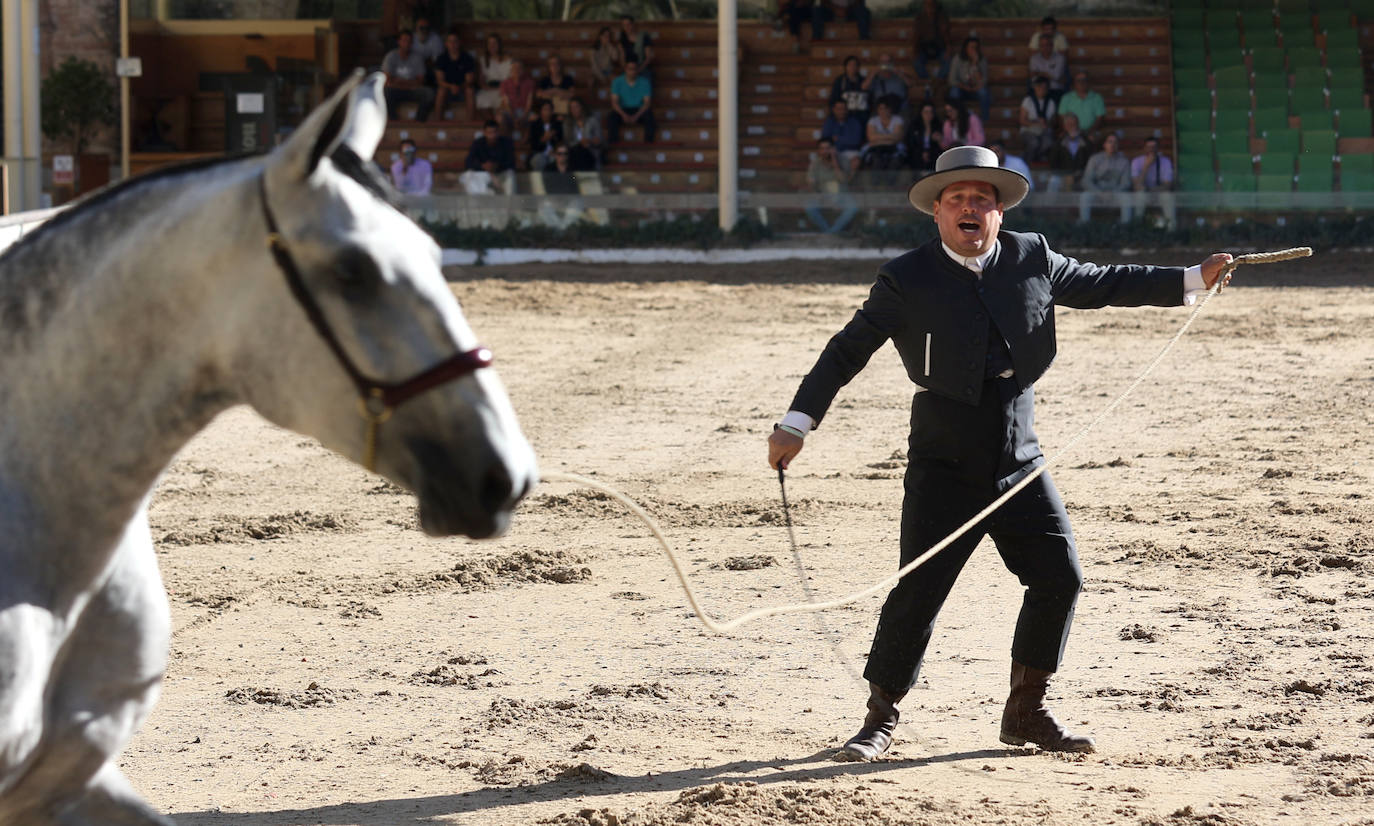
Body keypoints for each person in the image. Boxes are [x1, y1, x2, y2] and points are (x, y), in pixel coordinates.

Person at [766, 143, 1236, 762]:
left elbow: (1103, 283)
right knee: (920, 588)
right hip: (943, 458)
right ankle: (879, 718)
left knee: (1058, 575)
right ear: (936, 212)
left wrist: (1190, 279)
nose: (969, 208)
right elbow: (846, 350)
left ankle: (1026, 710)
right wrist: (797, 423)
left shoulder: (1030, 256)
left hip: (1019, 456)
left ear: (998, 213)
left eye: (981, 200)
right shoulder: (904, 277)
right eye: (956, 198)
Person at [805, 136, 859, 233]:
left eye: (828, 148)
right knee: (809, 207)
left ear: (833, 149)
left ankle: (833, 231)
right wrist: (819, 196)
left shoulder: (843, 160)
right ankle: (828, 231)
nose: (825, 151)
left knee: (853, 208)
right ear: (819, 151)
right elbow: (811, 183)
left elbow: (843, 180)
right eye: (822, 149)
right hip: (823, 195)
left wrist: (834, 162)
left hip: (842, 195)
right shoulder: (815, 164)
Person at [381, 30, 435, 122]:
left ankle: (418, 122)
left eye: (409, 41)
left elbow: (421, 81)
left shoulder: (417, 57)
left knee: (429, 93)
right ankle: (395, 122)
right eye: (404, 40)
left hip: (412, 91)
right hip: (396, 90)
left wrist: (398, 81)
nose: (407, 44)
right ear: (399, 42)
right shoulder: (390, 56)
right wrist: (410, 83)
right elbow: (387, 81)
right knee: (385, 92)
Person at [1079, 133, 1132, 223]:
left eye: (1115, 142)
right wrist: (1099, 193)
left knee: (1126, 197)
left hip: (1116, 192)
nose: (1112, 145)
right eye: (1110, 142)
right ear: (1104, 144)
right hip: (1097, 191)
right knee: (1085, 196)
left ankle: (1126, 226)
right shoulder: (1095, 159)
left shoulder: (1124, 162)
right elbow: (1086, 180)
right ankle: (1085, 224)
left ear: (1118, 145)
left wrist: (1113, 193)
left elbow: (1126, 183)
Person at [1131, 136, 1177, 229]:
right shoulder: (1136, 161)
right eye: (1149, 147)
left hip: (1158, 192)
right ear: (1144, 149)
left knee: (1167, 196)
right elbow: (1137, 185)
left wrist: (1150, 190)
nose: (1152, 150)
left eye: (1154, 147)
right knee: (1140, 195)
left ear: (1158, 148)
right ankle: (1136, 228)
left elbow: (1167, 185)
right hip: (1143, 194)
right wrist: (1146, 166)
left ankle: (1172, 230)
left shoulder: (1165, 161)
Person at [607, 59, 656, 144]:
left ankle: (648, 145)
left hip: (639, 110)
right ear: (625, 69)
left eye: (634, 69)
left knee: (650, 118)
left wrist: (636, 116)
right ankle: (614, 146)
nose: (632, 72)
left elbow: (647, 103)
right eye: (630, 69)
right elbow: (614, 103)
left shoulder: (645, 82)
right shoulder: (617, 81)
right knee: (612, 118)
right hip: (623, 109)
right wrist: (624, 115)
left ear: (637, 70)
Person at [434, 30, 477, 122]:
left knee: (470, 91)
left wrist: (458, 87)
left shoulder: (467, 58)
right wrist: (451, 86)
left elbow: (469, 80)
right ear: (446, 44)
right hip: (447, 90)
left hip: (462, 89)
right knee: (441, 91)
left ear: (459, 43)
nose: (453, 44)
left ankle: (470, 123)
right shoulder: (441, 58)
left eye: (455, 41)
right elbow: (439, 81)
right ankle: (437, 122)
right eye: (450, 41)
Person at [464, 119, 517, 194]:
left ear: (498, 132)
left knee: (510, 173)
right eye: (489, 133)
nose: (492, 136)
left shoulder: (506, 143)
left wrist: (497, 166)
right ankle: (476, 203)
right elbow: (468, 162)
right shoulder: (478, 143)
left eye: (494, 132)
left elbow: (512, 162)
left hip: (500, 173)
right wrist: (482, 166)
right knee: (469, 174)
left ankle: (510, 203)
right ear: (484, 132)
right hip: (484, 175)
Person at [861, 97, 906, 183]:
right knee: (875, 160)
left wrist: (878, 138)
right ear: (877, 110)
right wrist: (889, 138)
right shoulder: (873, 121)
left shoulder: (898, 119)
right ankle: (876, 185)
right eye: (881, 108)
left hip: (894, 149)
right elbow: (871, 138)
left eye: (886, 108)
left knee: (895, 160)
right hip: (875, 150)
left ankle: (890, 185)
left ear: (890, 109)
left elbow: (897, 137)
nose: (883, 111)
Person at [1046, 112, 1092, 193]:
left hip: (1082, 175)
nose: (1073, 127)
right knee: (1054, 181)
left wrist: (1078, 175)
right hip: (1063, 175)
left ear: (1078, 125)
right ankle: (1049, 205)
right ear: (1065, 127)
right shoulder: (1058, 144)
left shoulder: (1086, 142)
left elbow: (1091, 163)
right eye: (1069, 124)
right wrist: (1065, 175)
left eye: (1074, 124)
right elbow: (1053, 165)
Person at [948, 36, 990, 123]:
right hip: (962, 89)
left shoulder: (982, 60)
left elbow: (984, 81)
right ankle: (955, 120)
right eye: (971, 47)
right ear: (965, 48)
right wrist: (964, 87)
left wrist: (975, 64)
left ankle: (985, 121)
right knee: (953, 92)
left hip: (975, 90)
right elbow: (951, 80)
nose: (973, 49)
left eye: (976, 47)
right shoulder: (957, 59)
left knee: (983, 92)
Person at [1058, 71, 1108, 146]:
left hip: (1091, 131)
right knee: (1062, 138)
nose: (1081, 83)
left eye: (1084, 80)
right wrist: (1068, 131)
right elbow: (1061, 118)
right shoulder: (1066, 98)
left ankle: (1091, 158)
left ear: (1088, 82)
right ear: (1074, 83)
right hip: (1070, 131)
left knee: (1092, 138)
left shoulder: (1097, 97)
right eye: (1078, 80)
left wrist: (1088, 132)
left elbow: (1100, 119)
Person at [911, 0, 952, 86]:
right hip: (924, 48)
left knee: (948, 60)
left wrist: (948, 48)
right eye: (927, 4)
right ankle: (928, 81)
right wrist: (914, 51)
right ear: (924, 6)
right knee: (916, 61)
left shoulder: (942, 17)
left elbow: (946, 35)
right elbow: (916, 36)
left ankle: (938, 80)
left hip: (939, 47)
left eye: (932, 4)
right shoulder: (919, 18)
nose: (930, 6)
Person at [1019, 76, 1057, 163]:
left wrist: (1047, 123)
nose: (1042, 89)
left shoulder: (1051, 102)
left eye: (1045, 87)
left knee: (1047, 143)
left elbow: (1053, 121)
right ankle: (1028, 163)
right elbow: (1022, 120)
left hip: (1045, 131)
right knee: (1034, 143)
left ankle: (1041, 163)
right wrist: (1036, 122)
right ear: (1035, 87)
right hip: (1029, 131)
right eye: (1040, 87)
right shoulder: (1028, 101)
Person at [821, 98, 865, 174]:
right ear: (834, 110)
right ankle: (837, 182)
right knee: (829, 155)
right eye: (838, 109)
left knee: (856, 161)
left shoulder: (854, 122)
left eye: (843, 109)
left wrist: (837, 139)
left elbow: (856, 141)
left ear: (847, 110)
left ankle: (848, 182)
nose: (841, 111)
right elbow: (826, 140)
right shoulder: (829, 122)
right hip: (834, 150)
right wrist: (846, 139)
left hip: (851, 151)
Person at [863, 53, 914, 118]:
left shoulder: (899, 75)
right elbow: (864, 87)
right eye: (883, 62)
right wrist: (873, 73)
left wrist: (899, 73)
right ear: (879, 63)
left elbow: (911, 84)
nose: (885, 64)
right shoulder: (875, 77)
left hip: (900, 109)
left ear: (892, 63)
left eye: (888, 62)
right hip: (880, 110)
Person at [476, 33, 512, 116]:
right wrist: (488, 88)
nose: (492, 46)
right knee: (482, 99)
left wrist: (503, 88)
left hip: (505, 88)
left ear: (499, 45)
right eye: (489, 43)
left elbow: (511, 77)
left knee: (505, 101)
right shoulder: (483, 60)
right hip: (489, 88)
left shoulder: (508, 59)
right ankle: (492, 124)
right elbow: (481, 81)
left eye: (494, 43)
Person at [564, 97, 603, 171]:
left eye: (576, 107)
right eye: (571, 107)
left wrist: (589, 141)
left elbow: (599, 139)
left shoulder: (592, 121)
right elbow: (567, 141)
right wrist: (580, 143)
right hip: (574, 152)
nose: (574, 110)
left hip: (590, 151)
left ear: (582, 107)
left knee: (583, 154)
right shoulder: (568, 123)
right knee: (577, 153)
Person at [1028, 32, 1068, 102]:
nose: (1044, 48)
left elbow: (1057, 75)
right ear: (1039, 46)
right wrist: (1050, 76)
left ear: (1052, 46)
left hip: (1055, 90)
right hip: (1038, 90)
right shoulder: (1034, 58)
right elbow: (1034, 79)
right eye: (1042, 45)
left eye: (1047, 45)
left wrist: (1039, 73)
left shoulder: (1060, 58)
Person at [829, 56, 870, 123]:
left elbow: (869, 99)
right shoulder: (840, 81)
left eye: (855, 65)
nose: (852, 67)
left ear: (858, 67)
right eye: (850, 65)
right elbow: (834, 99)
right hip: (845, 116)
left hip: (862, 116)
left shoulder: (864, 81)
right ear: (845, 67)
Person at [905, 100, 943, 174]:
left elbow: (940, 145)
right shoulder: (914, 125)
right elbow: (910, 143)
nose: (928, 115)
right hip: (917, 154)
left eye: (931, 112)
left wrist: (939, 139)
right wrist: (922, 153)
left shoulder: (938, 125)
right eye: (926, 112)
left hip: (933, 154)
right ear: (921, 113)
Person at [498, 58, 535, 132]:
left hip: (524, 111)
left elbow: (529, 102)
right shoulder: (505, 83)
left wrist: (523, 117)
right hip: (510, 111)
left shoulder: (530, 82)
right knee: (500, 117)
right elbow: (506, 103)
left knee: (534, 118)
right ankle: (505, 140)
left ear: (523, 70)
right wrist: (513, 118)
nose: (517, 70)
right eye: (514, 68)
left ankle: (526, 140)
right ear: (511, 70)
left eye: (519, 68)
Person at [527, 100, 565, 171]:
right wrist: (543, 139)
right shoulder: (535, 125)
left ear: (552, 111)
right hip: (540, 153)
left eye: (549, 110)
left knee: (557, 158)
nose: (547, 112)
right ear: (541, 111)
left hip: (554, 153)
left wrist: (553, 138)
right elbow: (533, 145)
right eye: (545, 109)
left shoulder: (557, 124)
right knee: (539, 160)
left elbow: (561, 142)